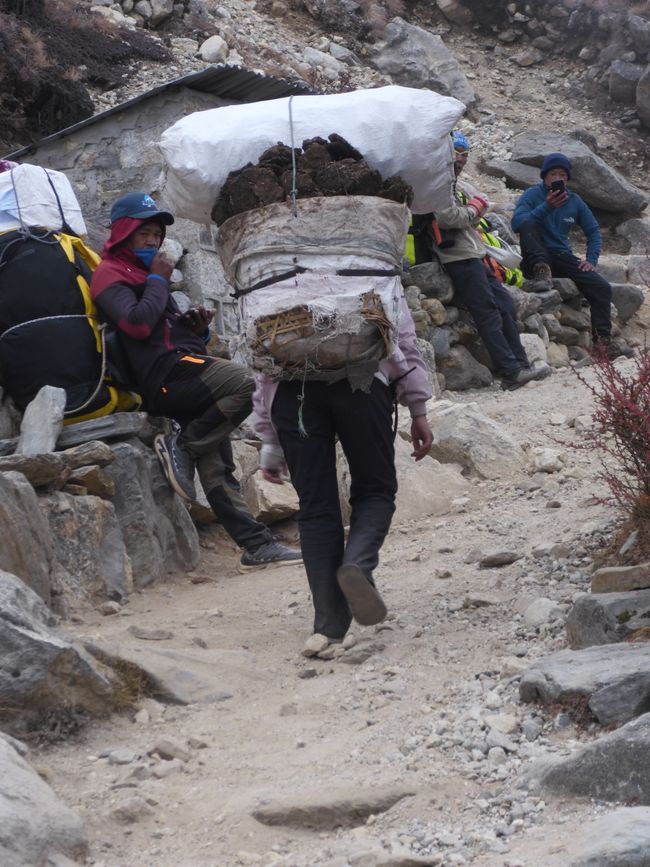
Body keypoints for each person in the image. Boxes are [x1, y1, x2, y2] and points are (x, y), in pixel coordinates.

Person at [90, 192, 302, 570]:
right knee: (247, 382)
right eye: (145, 234)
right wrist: (158, 279)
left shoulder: (146, 276)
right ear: (124, 234)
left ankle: (256, 545)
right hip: (164, 376)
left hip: (183, 367)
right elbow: (137, 325)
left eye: (157, 234)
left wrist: (197, 330)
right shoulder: (111, 274)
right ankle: (183, 448)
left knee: (218, 466)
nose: (154, 241)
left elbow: (163, 330)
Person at [252, 296, 434, 650]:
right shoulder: (363, 262)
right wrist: (418, 408)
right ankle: (358, 565)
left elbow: (259, 361)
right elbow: (404, 339)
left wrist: (270, 442)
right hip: (362, 382)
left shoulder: (274, 275)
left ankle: (328, 626)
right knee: (375, 490)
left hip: (293, 392)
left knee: (316, 508)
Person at [412, 131, 549, 390]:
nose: (461, 159)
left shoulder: (451, 184)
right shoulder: (436, 183)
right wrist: (475, 208)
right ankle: (510, 371)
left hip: (472, 253)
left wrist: (474, 211)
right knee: (486, 310)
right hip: (457, 257)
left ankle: (521, 364)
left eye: (465, 154)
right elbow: (445, 218)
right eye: (457, 153)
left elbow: (462, 219)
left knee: (505, 304)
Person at [511, 152, 632, 359]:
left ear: (567, 178)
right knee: (529, 223)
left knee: (601, 287)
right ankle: (541, 272)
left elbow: (593, 231)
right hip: (536, 255)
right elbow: (517, 224)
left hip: (562, 256)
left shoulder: (574, 201)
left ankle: (603, 344)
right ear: (545, 177)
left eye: (562, 175)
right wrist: (546, 206)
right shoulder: (532, 195)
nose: (558, 178)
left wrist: (591, 260)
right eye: (553, 174)